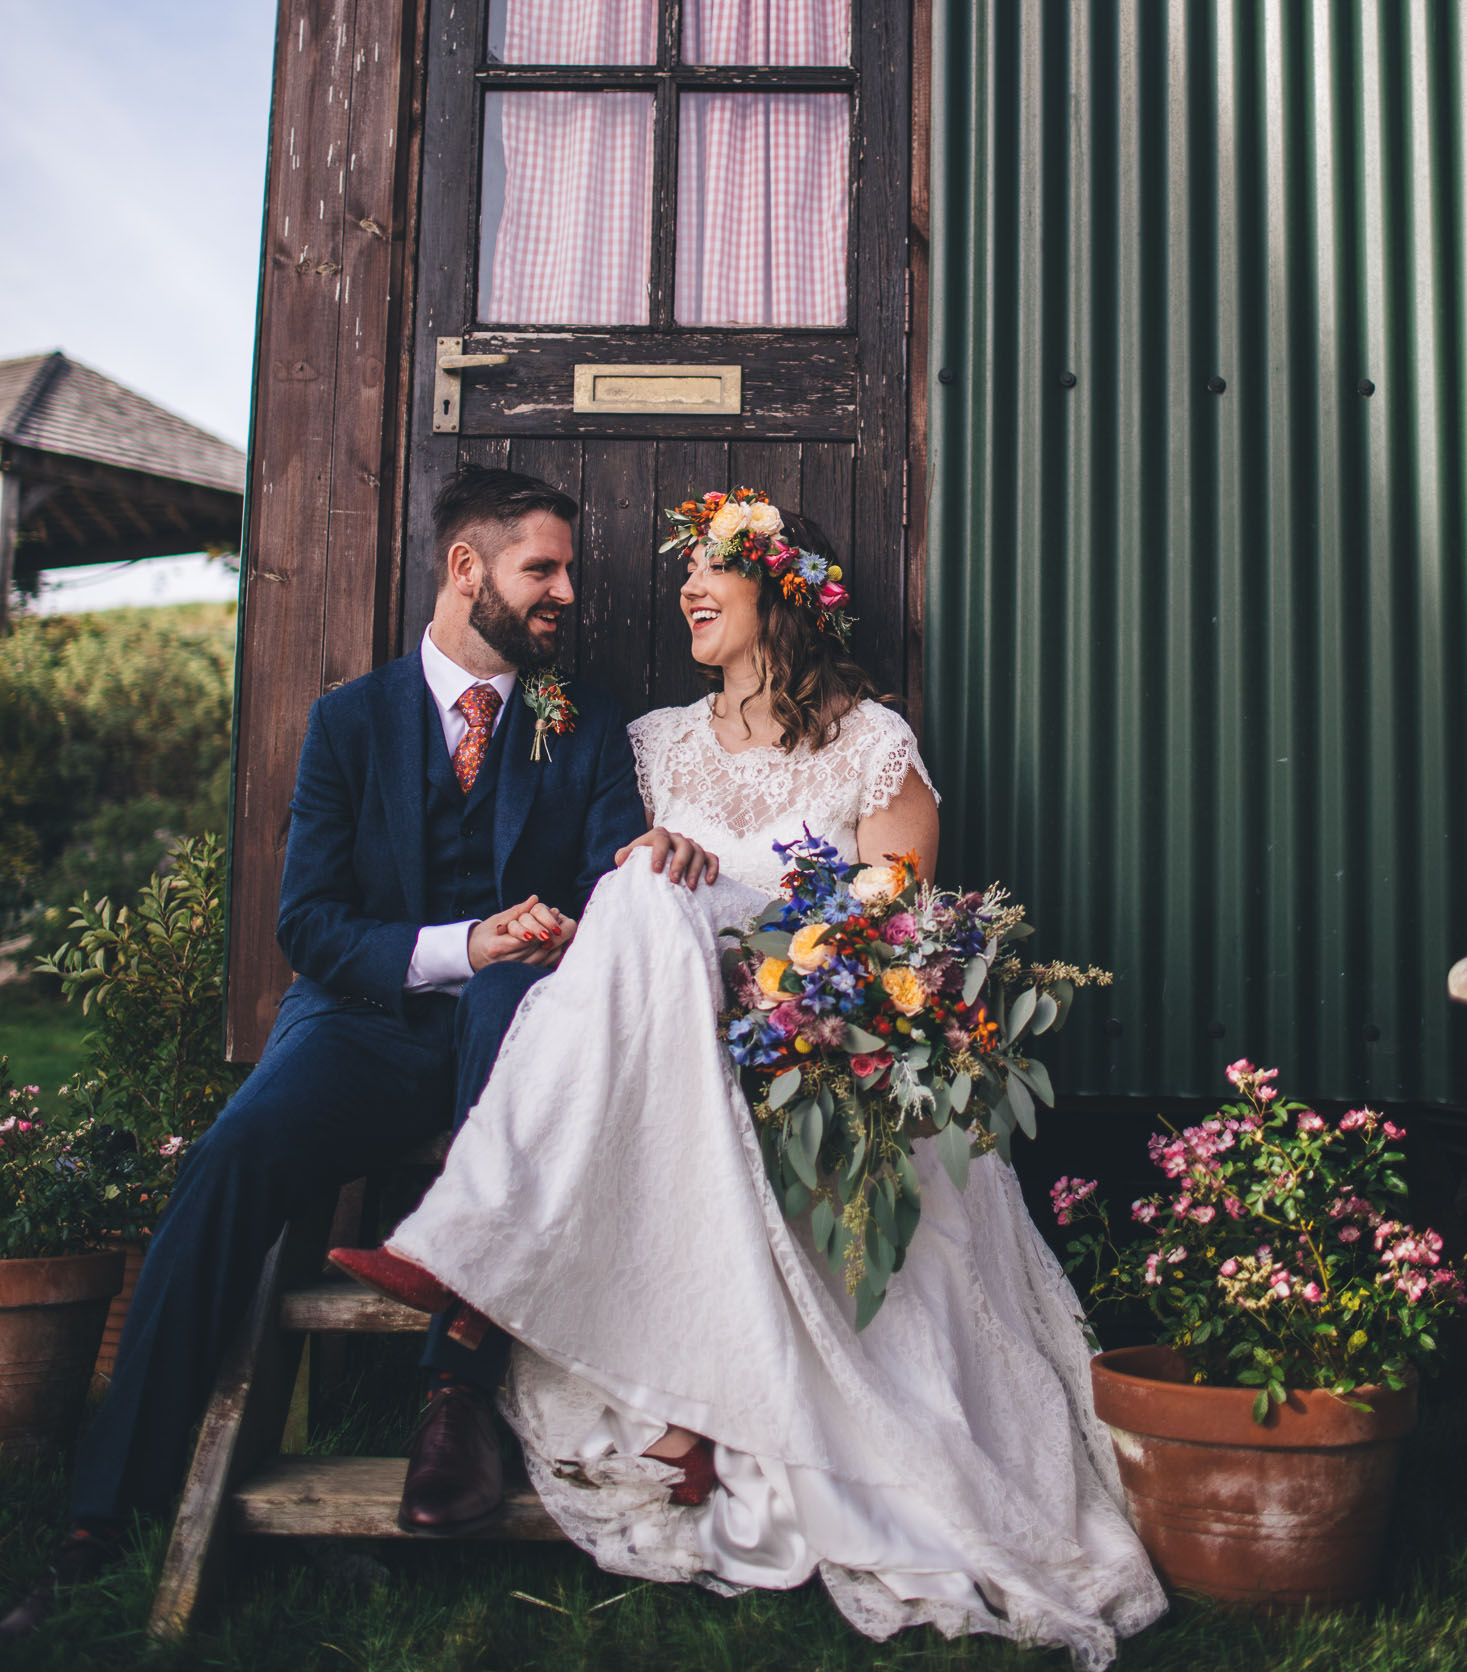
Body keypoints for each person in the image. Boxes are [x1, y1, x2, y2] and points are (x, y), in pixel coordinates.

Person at [335, 489, 1167, 1668]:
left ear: (784, 591)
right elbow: (603, 885)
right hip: (656, 1023)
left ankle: (475, 1258)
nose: (686, 587)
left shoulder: (871, 746)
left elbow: (896, 935)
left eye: (711, 568)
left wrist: (780, 996)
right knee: (638, 885)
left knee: (649, 894)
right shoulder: (655, 742)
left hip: (796, 1030)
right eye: (687, 569)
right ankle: (534, 1282)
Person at [0, 466, 709, 1644]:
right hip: (363, 1022)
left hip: (521, 1038)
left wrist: (630, 877)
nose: (567, 594)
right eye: (545, 568)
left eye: (569, 572)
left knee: (507, 1003)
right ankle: (100, 1510)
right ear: (466, 568)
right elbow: (311, 924)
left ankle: (453, 1399)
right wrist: (459, 942)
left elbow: (605, 879)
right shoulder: (349, 721)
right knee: (232, 1160)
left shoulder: (580, 727)